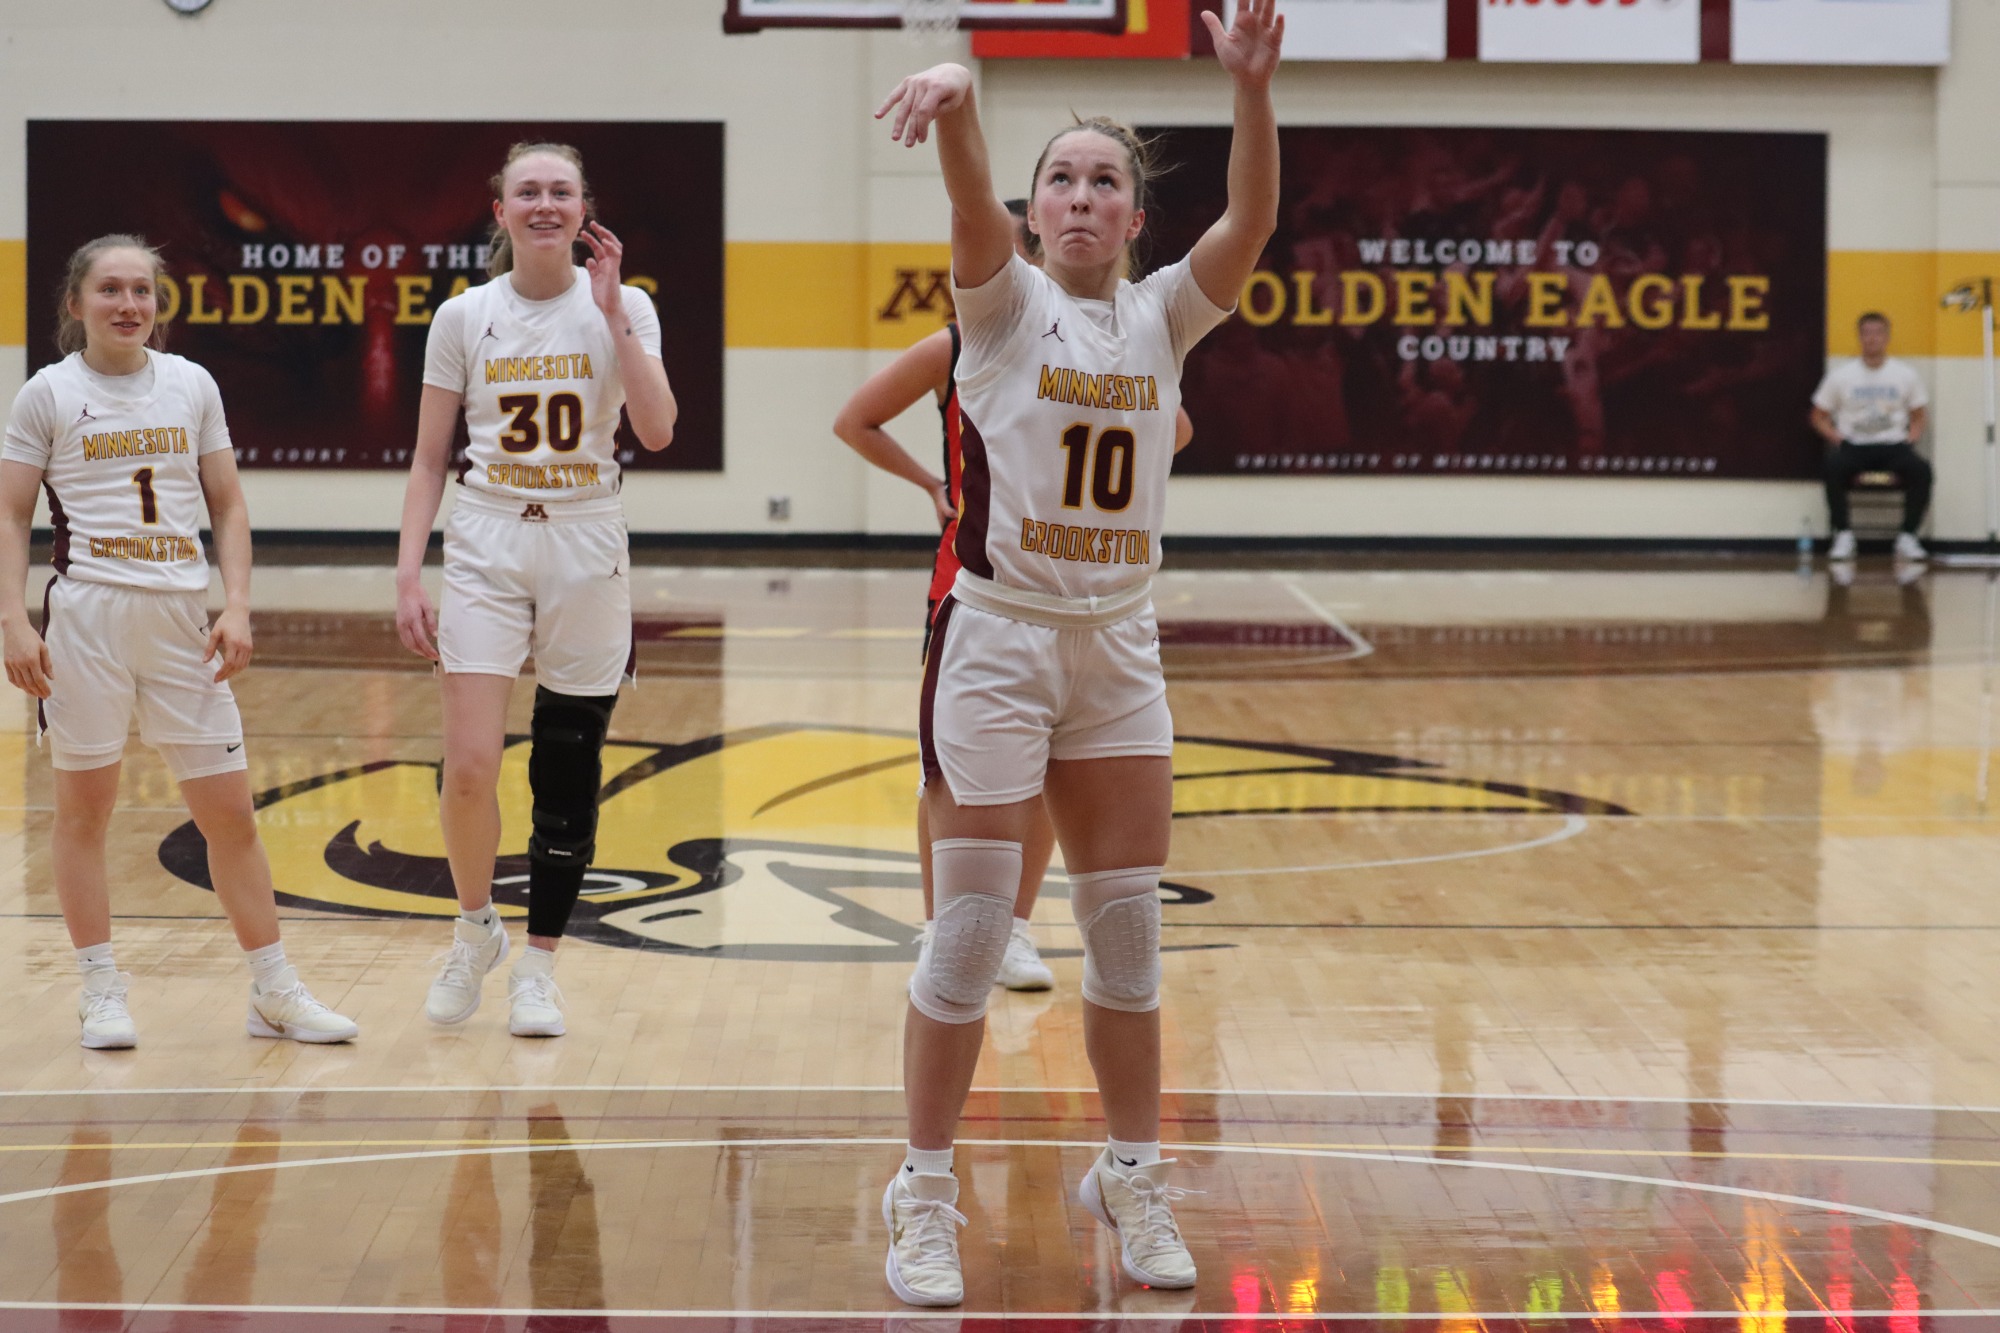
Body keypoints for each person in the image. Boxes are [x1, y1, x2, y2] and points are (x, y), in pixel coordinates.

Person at [870, 0, 1281, 1306]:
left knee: (1126, 943)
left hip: (1119, 648)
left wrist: (1252, 91)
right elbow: (965, 209)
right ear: (1036, 212)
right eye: (1063, 181)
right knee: (973, 929)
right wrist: (960, 97)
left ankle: (1132, 1172)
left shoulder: (1164, 318)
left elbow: (1253, 226)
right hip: (1000, 641)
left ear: (1134, 216)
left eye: (1107, 181)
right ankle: (924, 1191)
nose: (1085, 198)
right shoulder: (1000, 310)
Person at [0, 234, 358, 1049]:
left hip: (179, 619)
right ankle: (99, 988)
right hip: (87, 618)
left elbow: (226, 503)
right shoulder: (48, 394)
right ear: (75, 304)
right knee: (83, 810)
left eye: (142, 292)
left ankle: (274, 990)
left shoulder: (191, 383)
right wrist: (14, 620)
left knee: (230, 811)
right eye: (110, 290)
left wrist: (236, 606)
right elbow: (11, 514)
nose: (129, 305)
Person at [394, 142, 677, 1038]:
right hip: (486, 534)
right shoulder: (464, 316)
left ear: (584, 207)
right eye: (530, 192)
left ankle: (541, 966)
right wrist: (409, 569)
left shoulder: (624, 306)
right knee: (471, 762)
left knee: (567, 764)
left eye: (562, 191)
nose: (545, 204)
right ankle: (474, 927)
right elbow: (430, 455)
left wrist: (613, 314)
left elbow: (660, 429)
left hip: (588, 535)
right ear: (501, 209)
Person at [1813, 312, 1931, 563]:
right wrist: (1837, 438)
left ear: (1887, 337)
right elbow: (1818, 416)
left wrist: (1912, 438)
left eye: (1878, 333)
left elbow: (1919, 414)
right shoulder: (1842, 375)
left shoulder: (1905, 374)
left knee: (1921, 470)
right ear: (1860, 337)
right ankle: (1843, 535)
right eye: (1867, 333)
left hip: (1893, 445)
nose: (1872, 339)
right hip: (1854, 445)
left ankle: (1908, 537)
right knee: (1832, 467)